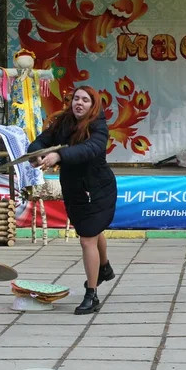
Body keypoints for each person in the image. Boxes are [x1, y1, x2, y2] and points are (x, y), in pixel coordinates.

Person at [28, 85, 117, 314]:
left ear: (93, 104)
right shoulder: (63, 121)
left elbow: (89, 150)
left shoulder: (98, 126)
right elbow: (41, 140)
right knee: (91, 232)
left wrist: (59, 155)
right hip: (74, 189)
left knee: (87, 238)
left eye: (85, 100)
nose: (79, 103)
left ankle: (92, 294)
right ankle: (104, 267)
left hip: (98, 188)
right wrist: (36, 153)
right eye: (76, 99)